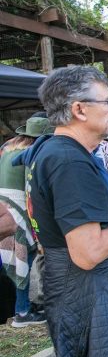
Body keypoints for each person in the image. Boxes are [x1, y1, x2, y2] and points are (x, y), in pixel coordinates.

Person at [14, 66, 108, 357]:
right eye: (107, 101)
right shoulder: (69, 160)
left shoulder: (55, 150)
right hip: (89, 296)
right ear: (79, 109)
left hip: (96, 292)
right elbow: (88, 253)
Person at [0, 114, 49, 327]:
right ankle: (22, 311)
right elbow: (32, 188)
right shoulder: (32, 152)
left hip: (2, 203)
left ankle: (16, 305)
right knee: (23, 258)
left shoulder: (8, 146)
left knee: (8, 260)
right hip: (18, 207)